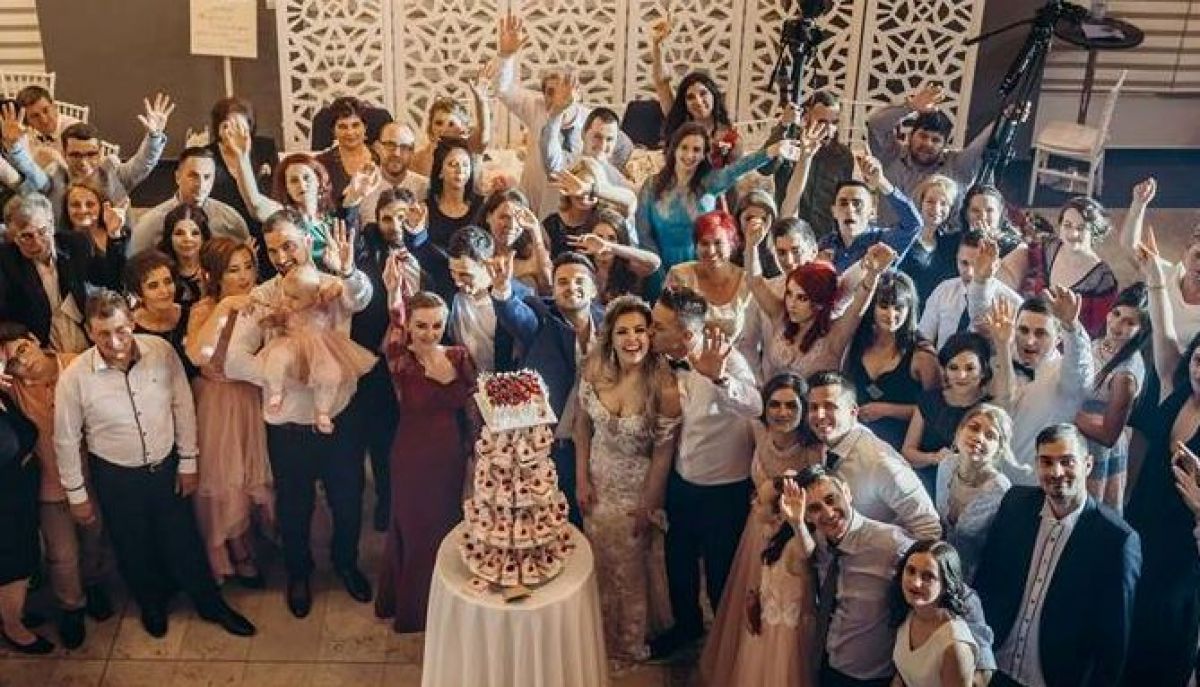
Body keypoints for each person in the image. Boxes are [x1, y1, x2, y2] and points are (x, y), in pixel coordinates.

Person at [53, 290, 255, 639]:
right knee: (132, 545)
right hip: (115, 475)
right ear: (89, 332)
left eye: (121, 330)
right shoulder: (75, 377)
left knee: (184, 539)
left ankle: (210, 603)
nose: (114, 342)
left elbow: (182, 405)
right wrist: (76, 495)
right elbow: (66, 439)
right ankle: (151, 604)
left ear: (132, 322)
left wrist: (188, 461)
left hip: (166, 467)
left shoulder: (161, 351)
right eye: (103, 334)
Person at [222, 209, 374, 619]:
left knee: (348, 498)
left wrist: (349, 271)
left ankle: (346, 563)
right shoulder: (263, 296)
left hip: (339, 416)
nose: (281, 257)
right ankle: (298, 574)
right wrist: (290, 375)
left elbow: (361, 297)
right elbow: (234, 360)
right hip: (288, 423)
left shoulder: (331, 283)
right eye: (272, 250)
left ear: (308, 240)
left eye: (288, 245)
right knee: (293, 506)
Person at [974, 424, 1141, 687]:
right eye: (1047, 462)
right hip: (992, 667)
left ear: (1087, 465)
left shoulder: (1117, 540)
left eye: (1067, 461)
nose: (1056, 472)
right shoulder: (1014, 503)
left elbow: (1113, 641)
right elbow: (987, 580)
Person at [647, 285, 763, 659]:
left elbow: (756, 405)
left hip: (723, 493)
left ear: (685, 334)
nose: (650, 331)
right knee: (678, 564)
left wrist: (720, 379)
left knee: (719, 575)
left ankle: (725, 648)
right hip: (682, 482)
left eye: (658, 326)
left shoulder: (726, 359)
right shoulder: (664, 360)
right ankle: (687, 627)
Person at [574, 295, 681, 665]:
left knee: (630, 570)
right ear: (611, 336)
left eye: (639, 330)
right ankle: (597, 633)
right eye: (623, 331)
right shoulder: (593, 369)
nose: (632, 339)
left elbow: (664, 453)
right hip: (596, 484)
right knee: (598, 563)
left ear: (650, 335)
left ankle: (629, 640)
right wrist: (581, 480)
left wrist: (648, 505)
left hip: (636, 490)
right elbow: (581, 427)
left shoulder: (665, 386)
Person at [698, 374, 822, 686]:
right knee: (751, 603)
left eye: (791, 405)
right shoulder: (757, 429)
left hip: (790, 540)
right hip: (756, 531)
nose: (782, 412)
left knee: (780, 612)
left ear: (804, 408)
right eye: (775, 404)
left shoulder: (814, 449)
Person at [0, 324, 115, 649]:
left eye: (23, 349)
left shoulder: (77, 364)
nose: (23, 363)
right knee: (62, 554)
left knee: (95, 537)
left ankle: (94, 585)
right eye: (12, 362)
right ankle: (71, 606)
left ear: (35, 340)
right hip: (50, 486)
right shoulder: (12, 390)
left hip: (92, 474)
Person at [376, 285, 477, 633]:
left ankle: (447, 603)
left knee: (446, 527)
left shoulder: (459, 356)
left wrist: (475, 447)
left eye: (437, 325)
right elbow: (394, 320)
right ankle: (413, 610)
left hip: (450, 455)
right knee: (415, 529)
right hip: (411, 457)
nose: (429, 333)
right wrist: (395, 291)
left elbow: (473, 404)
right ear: (409, 326)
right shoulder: (399, 359)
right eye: (421, 325)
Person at [1121, 246, 1200, 685]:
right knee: (1127, 619)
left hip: (1185, 544)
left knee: (1165, 633)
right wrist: (1155, 276)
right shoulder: (1175, 389)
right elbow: (1165, 333)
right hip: (1143, 521)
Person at [184, 237, 274, 587]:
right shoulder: (204, 309)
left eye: (248, 267)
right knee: (227, 481)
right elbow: (197, 354)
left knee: (254, 477)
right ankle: (234, 551)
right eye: (233, 270)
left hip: (253, 395)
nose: (244, 276)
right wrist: (225, 308)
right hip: (219, 402)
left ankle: (255, 540)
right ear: (215, 275)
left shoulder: (262, 301)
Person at [491, 252, 605, 524]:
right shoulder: (541, 321)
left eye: (579, 281)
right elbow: (515, 315)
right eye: (562, 282)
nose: (571, 287)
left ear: (593, 289)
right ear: (553, 290)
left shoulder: (610, 324)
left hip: (602, 445)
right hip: (554, 447)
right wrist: (503, 290)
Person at [968, 241, 1093, 482]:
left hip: (1027, 485)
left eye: (1041, 333)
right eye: (1023, 330)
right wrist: (980, 281)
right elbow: (981, 320)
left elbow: (1080, 366)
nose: (1030, 340)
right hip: (981, 473)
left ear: (1058, 338)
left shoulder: (1066, 376)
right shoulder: (1005, 346)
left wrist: (1071, 327)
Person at [494, 11, 632, 216]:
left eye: (563, 90)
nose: (556, 97)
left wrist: (606, 169)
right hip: (533, 199)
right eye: (550, 92)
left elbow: (624, 146)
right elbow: (503, 90)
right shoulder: (536, 106)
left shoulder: (592, 121)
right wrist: (506, 55)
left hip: (576, 205)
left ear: (578, 93)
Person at [635, 123, 796, 294]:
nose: (689, 155)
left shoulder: (710, 182)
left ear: (704, 155)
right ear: (674, 149)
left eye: (697, 150)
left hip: (703, 267)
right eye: (684, 147)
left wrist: (771, 151)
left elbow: (737, 169)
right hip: (658, 267)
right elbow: (643, 233)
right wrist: (660, 272)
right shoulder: (651, 185)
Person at [348, 188, 421, 530]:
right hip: (377, 360)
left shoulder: (423, 252)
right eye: (387, 218)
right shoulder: (367, 255)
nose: (395, 225)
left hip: (418, 359)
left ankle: (412, 502)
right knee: (381, 437)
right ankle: (386, 500)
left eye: (402, 217)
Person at [805, 370, 941, 540]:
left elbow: (930, 529)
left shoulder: (881, 462)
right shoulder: (831, 442)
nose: (819, 415)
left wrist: (891, 554)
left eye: (830, 406)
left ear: (853, 412)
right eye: (814, 407)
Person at [0, 95, 174, 216]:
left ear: (100, 153)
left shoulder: (113, 175)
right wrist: (15, 148)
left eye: (91, 154)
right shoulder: (55, 179)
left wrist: (154, 137)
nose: (84, 162)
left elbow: (142, 164)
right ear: (64, 155)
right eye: (75, 155)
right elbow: (32, 171)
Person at [255, 263, 376, 433]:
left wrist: (336, 286)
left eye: (294, 297)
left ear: (312, 296)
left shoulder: (320, 303)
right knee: (276, 358)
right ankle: (276, 391)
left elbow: (339, 288)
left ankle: (322, 410)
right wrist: (270, 320)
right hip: (291, 344)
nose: (287, 300)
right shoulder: (287, 309)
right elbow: (277, 319)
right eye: (286, 295)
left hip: (321, 347)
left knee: (331, 375)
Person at [746, 241, 891, 384]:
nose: (791, 304)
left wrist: (874, 273)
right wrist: (752, 244)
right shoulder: (780, 317)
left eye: (802, 298)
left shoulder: (835, 335)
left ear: (820, 302)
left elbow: (860, 300)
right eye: (789, 293)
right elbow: (755, 282)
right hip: (771, 397)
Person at [226, 125, 373, 265]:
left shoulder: (332, 218)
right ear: (287, 188)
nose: (302, 185)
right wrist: (242, 157)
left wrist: (355, 196)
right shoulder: (284, 216)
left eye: (306, 178)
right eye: (294, 181)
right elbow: (255, 204)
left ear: (319, 181)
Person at [902, 329, 1009, 497]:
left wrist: (1003, 344)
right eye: (953, 368)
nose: (961, 375)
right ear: (944, 370)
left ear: (983, 371)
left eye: (970, 368)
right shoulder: (929, 400)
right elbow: (908, 452)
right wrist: (934, 458)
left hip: (969, 490)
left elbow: (1007, 392)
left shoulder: (989, 407)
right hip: (924, 483)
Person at [865, 85, 991, 224]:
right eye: (923, 136)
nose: (928, 144)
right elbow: (876, 125)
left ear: (944, 145)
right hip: (890, 236)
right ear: (910, 136)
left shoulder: (955, 166)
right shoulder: (890, 156)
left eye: (936, 140)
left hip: (940, 238)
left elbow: (983, 144)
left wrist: (1006, 116)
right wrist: (910, 107)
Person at [843, 272, 940, 449]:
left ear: (909, 309)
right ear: (872, 306)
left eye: (899, 307)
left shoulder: (922, 354)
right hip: (853, 437)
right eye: (884, 306)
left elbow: (936, 410)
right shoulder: (856, 340)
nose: (891, 314)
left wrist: (886, 410)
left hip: (899, 445)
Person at [998, 196, 1117, 338]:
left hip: (1068, 342)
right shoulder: (1048, 247)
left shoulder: (1102, 280)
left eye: (1081, 228)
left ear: (1094, 233)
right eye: (1067, 225)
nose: (1073, 234)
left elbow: (1098, 332)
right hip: (1029, 329)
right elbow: (1024, 250)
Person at [1075, 284, 1148, 512]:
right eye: (1116, 314)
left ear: (1142, 330)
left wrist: (1065, 412)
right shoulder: (1097, 343)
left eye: (1129, 322)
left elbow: (1108, 436)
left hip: (1096, 450)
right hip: (1075, 436)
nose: (1117, 325)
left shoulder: (1126, 375)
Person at [0, 193, 103, 353]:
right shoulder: (5, 262)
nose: (37, 242)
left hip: (89, 340)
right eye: (26, 236)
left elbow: (109, 282)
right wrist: (20, 333)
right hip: (42, 349)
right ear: (13, 237)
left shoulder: (77, 244)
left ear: (52, 224)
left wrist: (116, 237)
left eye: (43, 231)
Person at [934, 404, 1015, 581]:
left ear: (999, 449)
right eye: (974, 428)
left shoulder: (1001, 490)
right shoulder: (946, 465)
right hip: (935, 564)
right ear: (959, 432)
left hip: (973, 577)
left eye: (990, 435)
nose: (979, 438)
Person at [761, 91, 855, 239]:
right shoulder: (790, 144)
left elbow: (844, 198)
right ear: (806, 117)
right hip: (789, 231)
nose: (828, 128)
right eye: (822, 121)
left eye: (834, 123)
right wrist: (784, 125)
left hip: (825, 238)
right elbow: (764, 168)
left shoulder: (842, 156)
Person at [649, 16, 740, 167]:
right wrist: (657, 46)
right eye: (690, 97)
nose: (698, 101)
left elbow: (732, 172)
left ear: (714, 96)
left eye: (703, 94)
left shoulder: (728, 135)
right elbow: (662, 83)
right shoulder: (680, 125)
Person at [889, 540, 979, 687]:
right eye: (911, 571)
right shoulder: (910, 613)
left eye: (928, 576)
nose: (915, 583)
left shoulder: (955, 647)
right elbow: (902, 675)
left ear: (946, 585)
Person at [810, 157, 922, 273]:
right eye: (843, 203)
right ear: (834, 211)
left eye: (857, 204)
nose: (850, 209)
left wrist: (881, 182)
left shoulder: (884, 241)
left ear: (872, 212)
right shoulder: (826, 244)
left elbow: (914, 224)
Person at [130, 146, 250, 254]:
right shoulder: (150, 224)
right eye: (193, 176)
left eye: (207, 177)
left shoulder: (230, 220)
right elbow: (135, 265)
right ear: (178, 177)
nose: (201, 184)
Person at [918, 230, 1022, 351]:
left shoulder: (1013, 304)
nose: (970, 272)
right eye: (964, 263)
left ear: (996, 265)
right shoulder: (944, 290)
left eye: (977, 265)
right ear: (956, 259)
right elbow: (923, 338)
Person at [0, 388, 47, 653]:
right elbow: (7, 447)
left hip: (17, 497)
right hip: (5, 506)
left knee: (23, 558)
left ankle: (12, 613)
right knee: (13, 566)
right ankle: (13, 627)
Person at [665, 210, 753, 340]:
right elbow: (665, 324)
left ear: (732, 244)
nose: (711, 251)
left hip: (737, 351)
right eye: (704, 243)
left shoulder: (748, 281)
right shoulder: (679, 276)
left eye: (718, 243)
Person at [205, 96, 278, 239]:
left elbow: (276, 190)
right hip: (225, 233)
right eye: (228, 126)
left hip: (265, 227)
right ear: (218, 128)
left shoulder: (265, 147)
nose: (234, 133)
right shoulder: (207, 155)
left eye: (240, 127)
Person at [566, 208, 660, 303]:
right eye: (598, 237)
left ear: (620, 241)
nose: (602, 243)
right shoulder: (579, 264)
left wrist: (609, 246)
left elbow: (655, 263)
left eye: (611, 238)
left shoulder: (629, 266)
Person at [408, 72, 491, 179]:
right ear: (431, 127)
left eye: (451, 124)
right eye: (438, 123)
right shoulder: (418, 158)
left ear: (463, 128)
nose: (443, 130)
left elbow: (484, 133)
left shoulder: (471, 147)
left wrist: (481, 101)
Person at [124, 250, 193, 377]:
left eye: (168, 282)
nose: (164, 291)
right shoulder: (129, 328)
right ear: (137, 294)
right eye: (153, 286)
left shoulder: (192, 316)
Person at [897, 174, 961, 302]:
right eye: (930, 201)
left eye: (944, 203)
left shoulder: (950, 243)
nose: (937, 208)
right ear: (920, 203)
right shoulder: (903, 237)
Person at [60, 180, 131, 290]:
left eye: (90, 204)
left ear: (101, 206)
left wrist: (114, 234)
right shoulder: (60, 243)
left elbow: (124, 276)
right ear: (66, 209)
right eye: (75, 205)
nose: (83, 210)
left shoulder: (122, 233)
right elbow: (97, 280)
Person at [481, 188, 553, 293]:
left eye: (518, 218)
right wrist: (526, 267)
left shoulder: (533, 252)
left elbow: (548, 286)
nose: (512, 225)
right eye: (504, 217)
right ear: (488, 217)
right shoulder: (477, 252)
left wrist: (535, 230)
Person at [359, 121, 429, 223]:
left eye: (404, 147)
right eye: (390, 145)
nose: (396, 153)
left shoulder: (425, 188)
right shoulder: (362, 185)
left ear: (412, 151)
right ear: (377, 147)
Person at [423, 137, 484, 252]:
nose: (460, 170)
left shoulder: (482, 206)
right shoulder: (425, 208)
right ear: (440, 171)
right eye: (453, 164)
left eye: (465, 165)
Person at [316, 96, 379, 202]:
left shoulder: (380, 157)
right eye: (342, 127)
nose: (350, 132)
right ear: (333, 131)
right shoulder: (320, 164)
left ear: (365, 127)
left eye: (355, 125)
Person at [155, 203, 211, 313]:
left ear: (204, 238)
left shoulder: (215, 269)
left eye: (195, 233)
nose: (187, 239)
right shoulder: (159, 270)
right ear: (169, 238)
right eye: (179, 233)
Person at [13, 84, 78, 170]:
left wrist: (56, 158)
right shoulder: (26, 137)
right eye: (35, 116)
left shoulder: (74, 130)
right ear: (27, 122)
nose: (44, 120)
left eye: (46, 110)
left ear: (54, 106)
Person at [958, 184, 1023, 256]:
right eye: (975, 210)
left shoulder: (1015, 246)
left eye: (989, 210)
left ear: (1000, 213)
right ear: (966, 214)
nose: (983, 217)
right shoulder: (950, 242)